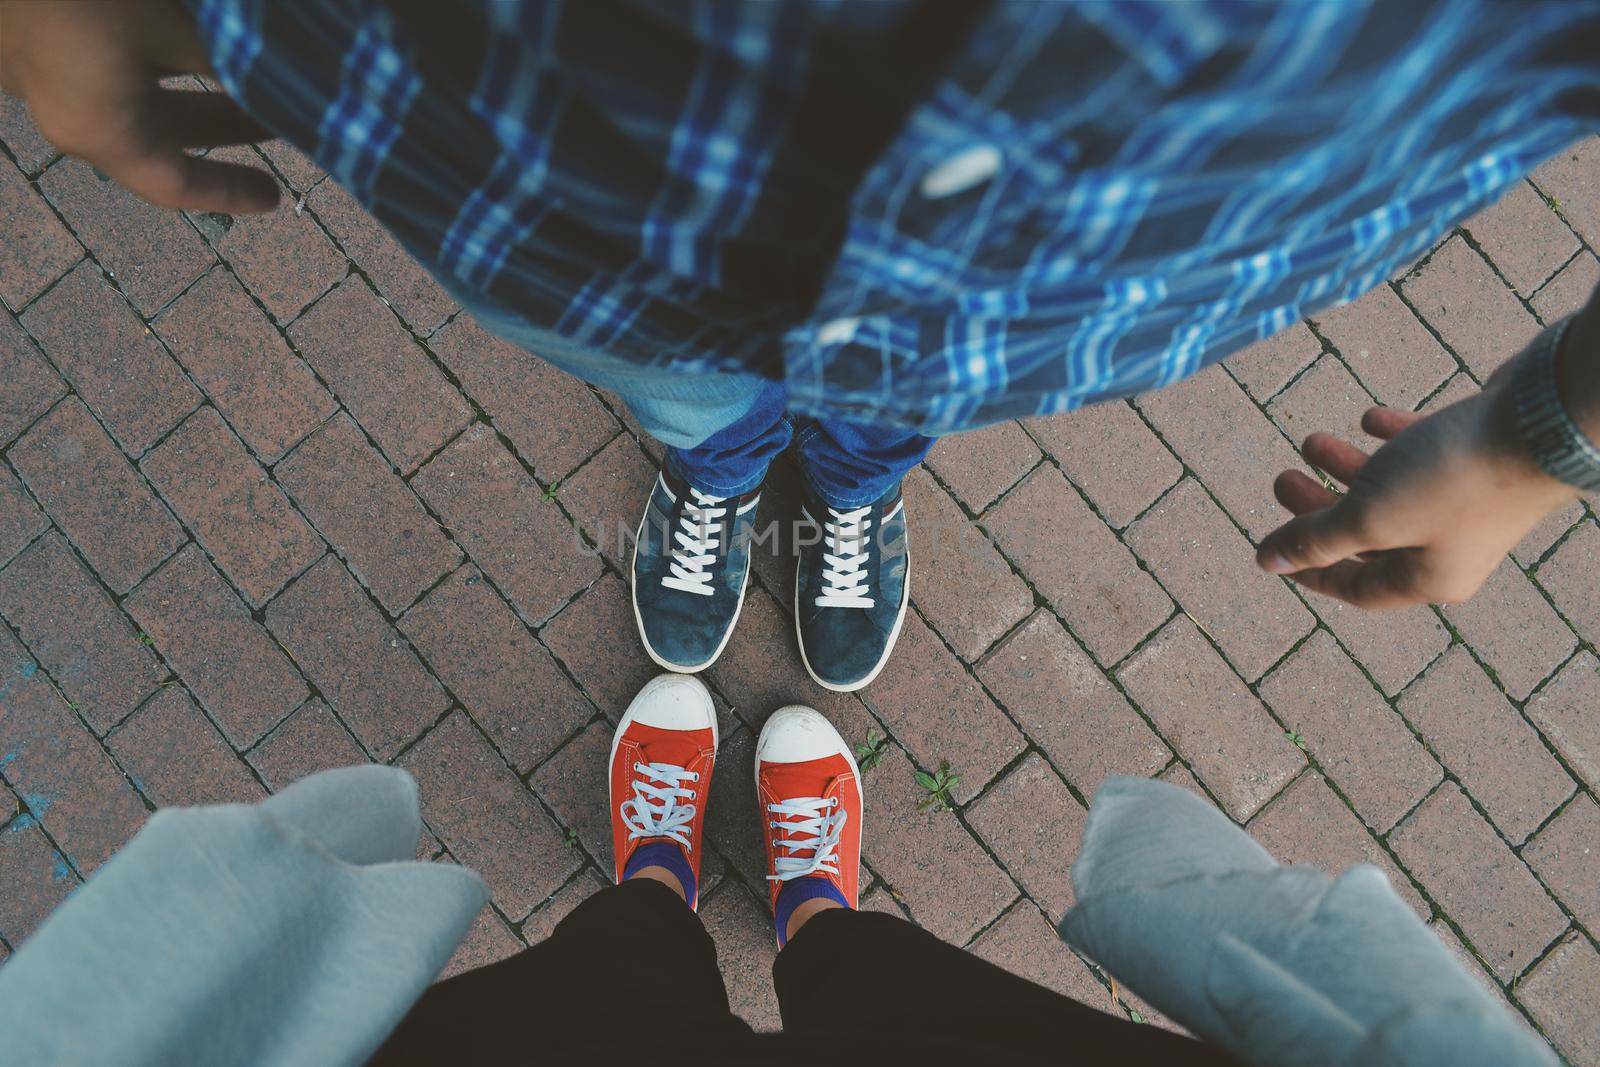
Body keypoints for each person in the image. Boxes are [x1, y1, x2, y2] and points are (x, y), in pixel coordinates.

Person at [5, 0, 1600, 692]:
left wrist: (1554, 438)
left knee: (885, 409)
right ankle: (722, 463)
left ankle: (841, 486)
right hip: (543, 166)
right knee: (675, 384)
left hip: (1062, 287)